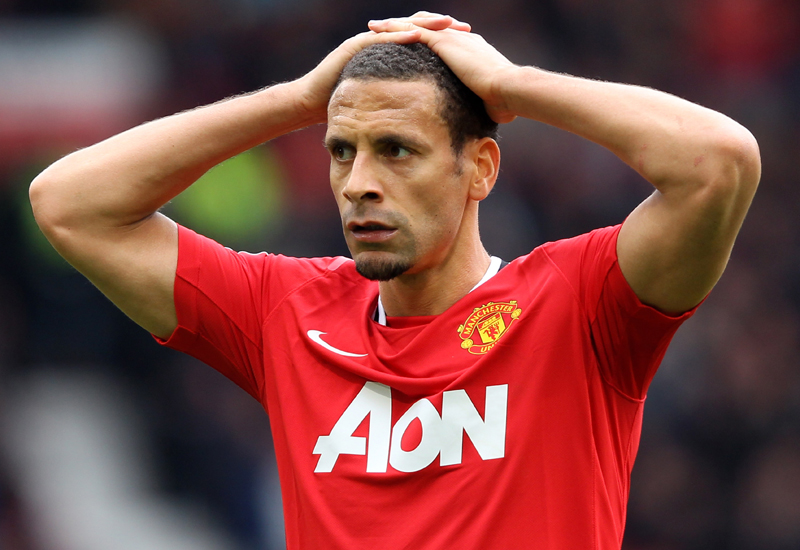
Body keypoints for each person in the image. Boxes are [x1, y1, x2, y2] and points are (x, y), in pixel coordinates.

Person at [29, 12, 760, 550]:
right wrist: (298, 100)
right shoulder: (286, 313)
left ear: (480, 168)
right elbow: (67, 203)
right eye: (341, 151)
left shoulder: (578, 304)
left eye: (396, 150)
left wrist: (509, 84)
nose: (359, 183)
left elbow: (718, 162)